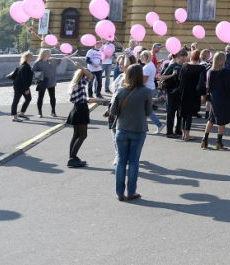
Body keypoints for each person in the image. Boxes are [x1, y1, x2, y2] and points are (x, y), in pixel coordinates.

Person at [109, 64, 153, 201]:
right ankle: (131, 191)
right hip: (138, 129)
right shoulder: (146, 92)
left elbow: (113, 111)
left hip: (122, 129)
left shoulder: (120, 91)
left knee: (121, 161)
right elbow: (149, 112)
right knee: (134, 161)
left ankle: (120, 192)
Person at [66, 63, 100, 168]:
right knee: (83, 135)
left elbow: (74, 99)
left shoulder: (74, 84)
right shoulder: (81, 83)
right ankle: (72, 158)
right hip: (81, 110)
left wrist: (86, 99)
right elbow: (91, 76)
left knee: (76, 135)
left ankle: (72, 157)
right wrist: (81, 67)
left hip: (76, 108)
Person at [201, 51, 230, 150]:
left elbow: (208, 86)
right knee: (221, 120)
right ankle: (219, 142)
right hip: (223, 97)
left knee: (211, 118)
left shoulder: (210, 71)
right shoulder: (226, 72)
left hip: (214, 97)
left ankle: (204, 139)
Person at [178, 49, 204, 141]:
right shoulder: (201, 68)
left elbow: (179, 78)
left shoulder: (184, 66)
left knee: (184, 114)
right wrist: (203, 94)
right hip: (193, 93)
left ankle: (183, 134)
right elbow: (201, 83)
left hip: (183, 92)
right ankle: (187, 135)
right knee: (189, 115)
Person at [138, 50, 165, 134]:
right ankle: (143, 126)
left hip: (147, 89)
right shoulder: (151, 65)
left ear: (146, 57)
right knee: (145, 109)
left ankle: (159, 124)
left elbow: (144, 81)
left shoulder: (147, 67)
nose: (140, 58)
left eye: (141, 56)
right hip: (150, 88)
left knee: (147, 109)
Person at [160, 50, 185, 138]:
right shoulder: (172, 66)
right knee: (171, 112)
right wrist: (173, 75)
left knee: (180, 112)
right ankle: (169, 132)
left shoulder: (185, 66)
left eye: (185, 57)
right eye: (182, 57)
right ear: (178, 57)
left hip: (181, 93)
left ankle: (178, 129)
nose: (184, 59)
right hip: (171, 92)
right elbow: (162, 76)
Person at [33, 48, 58, 118]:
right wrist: (39, 77)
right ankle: (39, 112)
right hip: (42, 82)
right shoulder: (38, 62)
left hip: (51, 82)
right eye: (49, 53)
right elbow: (33, 71)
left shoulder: (51, 61)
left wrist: (72, 55)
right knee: (40, 97)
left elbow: (63, 59)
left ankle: (53, 111)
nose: (50, 54)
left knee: (52, 97)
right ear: (45, 54)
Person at [11, 51, 35, 121]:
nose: (32, 58)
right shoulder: (25, 66)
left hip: (21, 85)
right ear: (27, 58)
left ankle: (22, 113)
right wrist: (26, 89)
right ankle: (15, 117)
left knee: (28, 99)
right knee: (16, 100)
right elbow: (23, 79)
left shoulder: (25, 65)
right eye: (31, 57)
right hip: (20, 86)